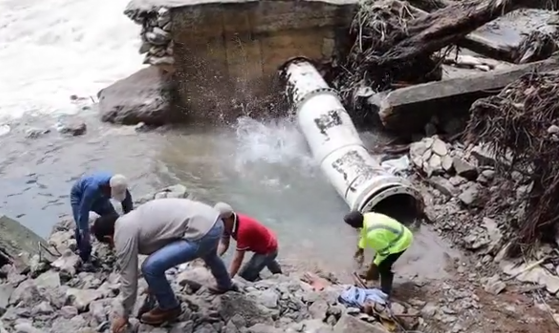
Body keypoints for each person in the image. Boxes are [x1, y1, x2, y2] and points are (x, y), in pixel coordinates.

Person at [92, 198, 235, 332]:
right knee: (209, 254)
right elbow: (164, 244)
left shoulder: (122, 233)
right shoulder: (132, 219)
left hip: (202, 233)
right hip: (214, 221)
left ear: (108, 237)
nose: (113, 246)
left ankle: (170, 307)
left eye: (110, 244)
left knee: (149, 268)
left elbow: (129, 276)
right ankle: (225, 283)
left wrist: (125, 314)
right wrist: (154, 285)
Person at [343, 210, 413, 297]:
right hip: (396, 233)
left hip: (401, 241)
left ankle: (385, 292)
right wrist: (361, 248)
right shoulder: (367, 217)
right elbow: (364, 233)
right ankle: (374, 276)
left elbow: (384, 252)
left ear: (354, 225)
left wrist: (374, 266)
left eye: (351, 225)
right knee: (377, 259)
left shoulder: (373, 235)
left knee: (383, 266)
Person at [70, 172, 133, 263]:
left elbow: (128, 205)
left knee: (114, 219)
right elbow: (83, 213)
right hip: (79, 196)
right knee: (82, 228)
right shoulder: (92, 189)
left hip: (100, 197)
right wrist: (84, 231)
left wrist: (129, 222)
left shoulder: (119, 184)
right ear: (108, 188)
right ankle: (85, 256)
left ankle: (114, 243)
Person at [214, 202, 282, 282]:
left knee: (244, 276)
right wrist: (214, 258)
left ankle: (269, 276)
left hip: (269, 247)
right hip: (264, 241)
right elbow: (224, 244)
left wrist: (229, 278)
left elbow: (238, 259)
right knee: (266, 260)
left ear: (226, 219)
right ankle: (278, 273)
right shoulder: (228, 224)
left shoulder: (243, 230)